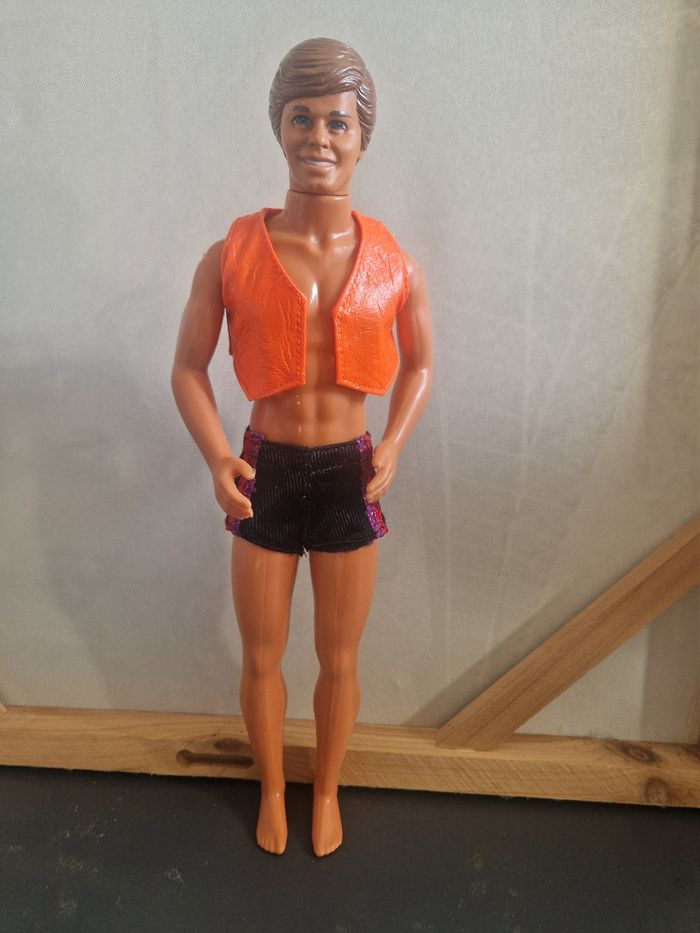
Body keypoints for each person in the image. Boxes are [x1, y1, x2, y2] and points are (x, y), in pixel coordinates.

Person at [171, 37, 432, 857]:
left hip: (352, 471)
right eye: (301, 117)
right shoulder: (232, 255)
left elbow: (421, 362)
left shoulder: (393, 261)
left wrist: (395, 440)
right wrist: (218, 456)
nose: (319, 136)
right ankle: (273, 788)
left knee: (340, 657)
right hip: (266, 471)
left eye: (337, 122)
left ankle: (325, 788)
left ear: (362, 136)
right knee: (262, 655)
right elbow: (186, 368)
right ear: (279, 127)